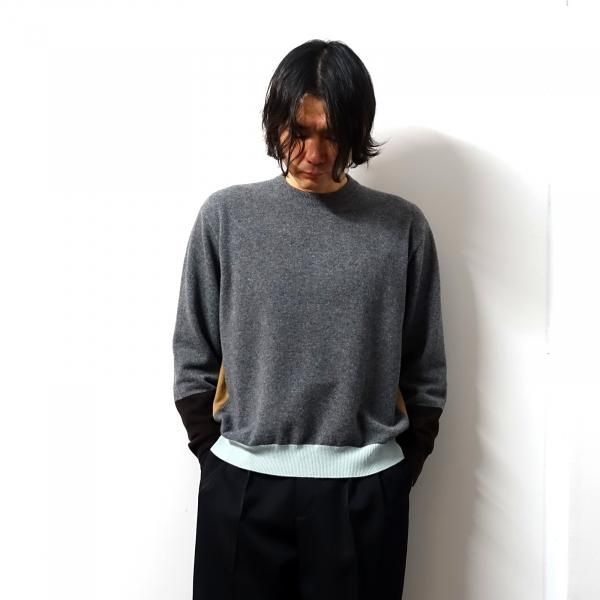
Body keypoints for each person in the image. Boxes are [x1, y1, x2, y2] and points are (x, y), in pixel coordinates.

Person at [172, 39, 447, 600]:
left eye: (332, 133)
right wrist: (214, 455)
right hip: (243, 483)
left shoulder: (402, 228)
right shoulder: (226, 217)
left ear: (356, 131)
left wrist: (402, 466)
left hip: (363, 491)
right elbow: (193, 347)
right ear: (275, 122)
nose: (315, 151)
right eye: (300, 130)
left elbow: (425, 365)